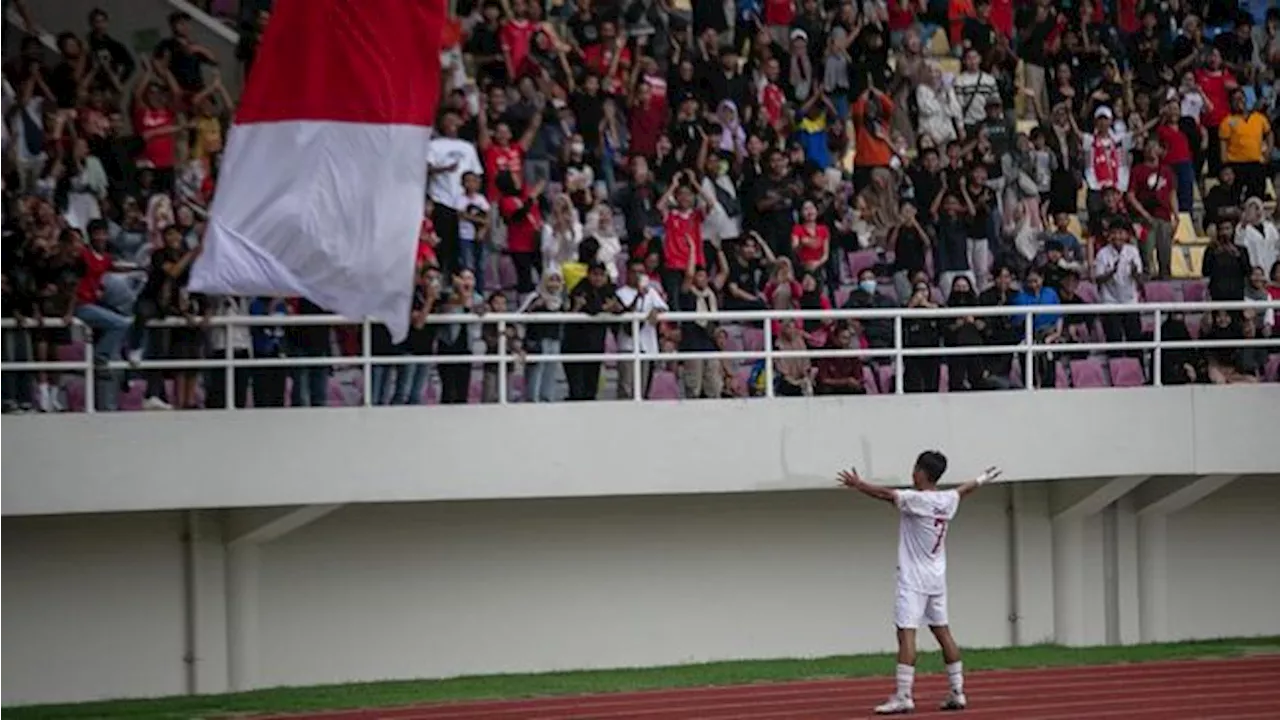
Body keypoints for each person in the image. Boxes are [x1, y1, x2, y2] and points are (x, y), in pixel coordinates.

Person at [836, 453, 1003, 715]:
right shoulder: (947, 500)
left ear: (922, 473)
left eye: (915, 469)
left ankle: (904, 696)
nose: (912, 473)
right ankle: (957, 691)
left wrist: (859, 484)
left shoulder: (916, 499)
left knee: (906, 634)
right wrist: (983, 478)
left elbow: (885, 495)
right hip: (936, 579)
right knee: (943, 633)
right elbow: (964, 490)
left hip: (912, 580)